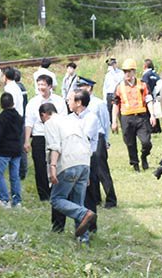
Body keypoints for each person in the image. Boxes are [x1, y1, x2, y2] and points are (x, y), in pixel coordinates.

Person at [45, 93, 97, 241]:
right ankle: (83, 240)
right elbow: (86, 144)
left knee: (56, 199)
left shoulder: (50, 123)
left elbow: (54, 146)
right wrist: (86, 172)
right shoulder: (73, 121)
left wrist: (53, 167)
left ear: (44, 115)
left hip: (69, 164)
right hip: (84, 163)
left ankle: (84, 214)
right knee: (78, 203)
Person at [25, 73, 69, 232]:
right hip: (39, 135)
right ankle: (44, 194)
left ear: (50, 86)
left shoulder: (58, 101)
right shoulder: (33, 102)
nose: (41, 88)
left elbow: (64, 119)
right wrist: (26, 140)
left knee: (55, 163)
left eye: (44, 85)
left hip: (56, 135)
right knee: (39, 165)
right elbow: (28, 122)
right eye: (39, 85)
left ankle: (55, 190)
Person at [75, 76, 118, 208]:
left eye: (81, 86)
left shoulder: (98, 103)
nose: (79, 89)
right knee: (90, 169)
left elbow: (105, 123)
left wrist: (106, 140)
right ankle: (96, 198)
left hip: (98, 137)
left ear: (88, 88)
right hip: (84, 138)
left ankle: (111, 199)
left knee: (102, 170)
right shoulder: (79, 104)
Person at [72, 83, 106, 240]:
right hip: (74, 158)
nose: (68, 102)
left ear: (79, 102)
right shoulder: (71, 118)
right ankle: (80, 224)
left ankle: (91, 226)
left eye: (71, 99)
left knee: (89, 194)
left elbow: (83, 139)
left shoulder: (91, 118)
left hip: (87, 159)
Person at [112, 59, 154, 171]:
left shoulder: (142, 85)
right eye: (124, 71)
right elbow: (115, 104)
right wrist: (114, 121)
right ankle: (135, 164)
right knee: (130, 143)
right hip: (126, 118)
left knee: (146, 142)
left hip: (141, 117)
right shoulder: (119, 87)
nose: (126, 74)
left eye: (128, 71)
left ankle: (144, 156)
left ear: (133, 72)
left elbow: (149, 99)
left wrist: (153, 115)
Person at [0, 92, 24, 208]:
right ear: (13, 103)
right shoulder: (19, 117)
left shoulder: (1, 118)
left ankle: (4, 198)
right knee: (14, 176)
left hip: (5, 150)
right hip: (17, 149)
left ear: (1, 105)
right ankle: (17, 200)